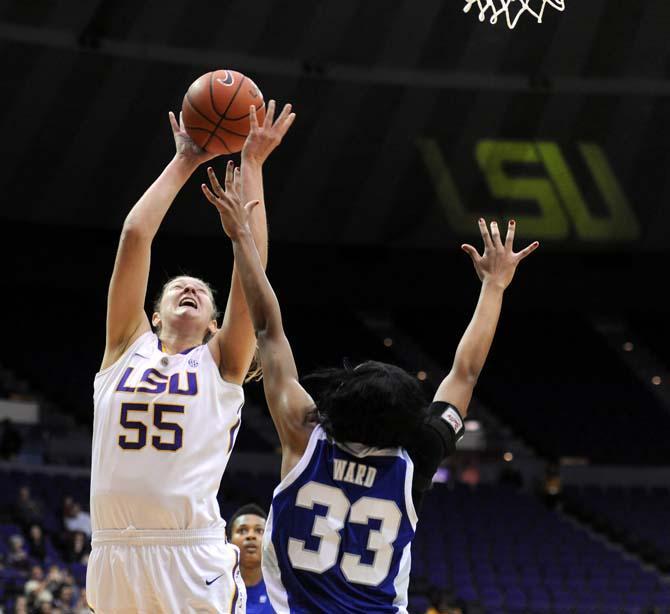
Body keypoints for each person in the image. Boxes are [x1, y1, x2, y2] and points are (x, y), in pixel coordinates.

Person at [202, 173, 538, 614]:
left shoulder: (306, 433)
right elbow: (466, 372)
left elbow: (267, 328)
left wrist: (241, 240)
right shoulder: (416, 454)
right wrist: (494, 286)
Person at [86, 100, 295, 613]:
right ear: (152, 316)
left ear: (215, 326)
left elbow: (254, 269)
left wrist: (252, 167)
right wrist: (185, 160)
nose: (188, 288)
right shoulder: (123, 349)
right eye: (177, 287)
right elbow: (136, 236)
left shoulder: (221, 365)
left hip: (189, 554)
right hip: (112, 550)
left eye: (202, 292)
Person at [228, 504, 275, 614]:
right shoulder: (216, 587)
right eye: (242, 530)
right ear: (229, 541)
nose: (251, 536)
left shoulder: (282, 589)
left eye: (259, 531)